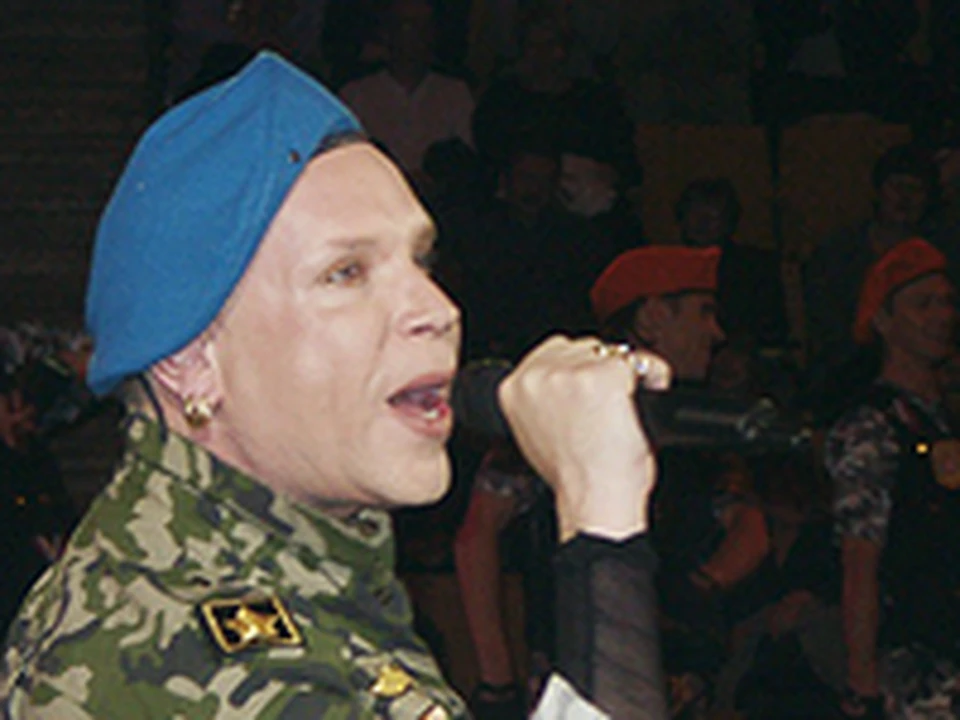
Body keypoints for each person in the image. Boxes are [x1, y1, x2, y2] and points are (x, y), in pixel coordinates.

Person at [1, 51, 670, 718]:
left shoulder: (288, 572)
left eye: (422, 260)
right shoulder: (193, 652)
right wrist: (601, 520)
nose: (438, 308)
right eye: (347, 273)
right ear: (190, 362)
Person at [825, 238, 960, 718]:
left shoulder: (943, 419)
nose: (942, 315)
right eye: (923, 304)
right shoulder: (873, 426)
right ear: (883, 321)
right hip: (918, 663)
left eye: (946, 301)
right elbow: (860, 559)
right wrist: (861, 677)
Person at [338, 0, 474, 176]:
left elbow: (467, 159)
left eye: (422, 27)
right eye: (405, 25)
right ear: (386, 33)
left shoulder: (455, 94)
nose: (413, 36)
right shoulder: (356, 95)